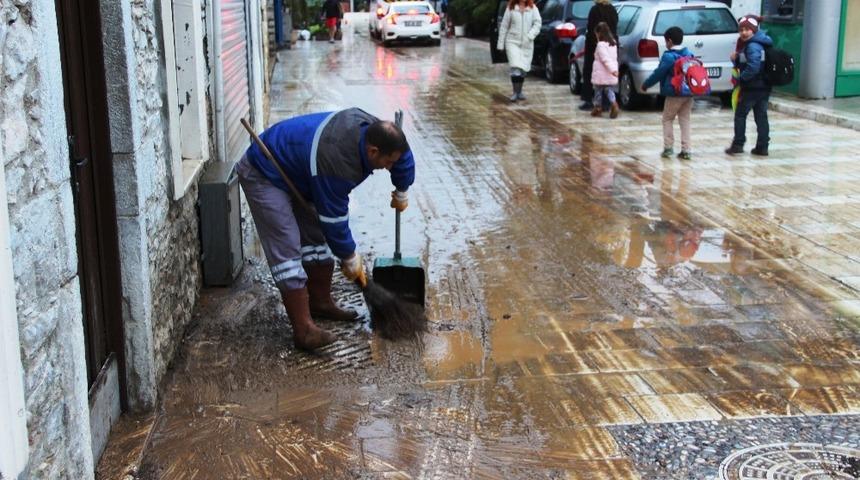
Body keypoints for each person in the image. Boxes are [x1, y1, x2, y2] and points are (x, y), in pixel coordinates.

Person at [237, 109, 415, 350]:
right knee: (287, 246)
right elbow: (334, 220)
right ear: (373, 152)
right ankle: (304, 331)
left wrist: (402, 187)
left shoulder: (378, 133)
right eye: (387, 163)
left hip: (304, 173)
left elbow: (402, 156)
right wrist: (350, 257)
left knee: (315, 236)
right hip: (266, 171)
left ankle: (320, 303)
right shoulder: (337, 161)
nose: (388, 167)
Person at [641, 26, 694, 160]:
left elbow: (658, 73)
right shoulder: (689, 54)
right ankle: (686, 150)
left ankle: (668, 148)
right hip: (689, 93)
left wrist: (646, 84)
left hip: (674, 93)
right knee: (685, 120)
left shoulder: (669, 57)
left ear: (669, 41)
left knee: (667, 119)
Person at [725, 15, 772, 156]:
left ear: (754, 30)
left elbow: (753, 66)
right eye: (741, 30)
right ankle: (762, 147)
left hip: (753, 86)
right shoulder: (762, 42)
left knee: (740, 115)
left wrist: (741, 79)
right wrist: (738, 58)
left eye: (747, 30)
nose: (744, 32)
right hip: (764, 86)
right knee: (761, 117)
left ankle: (738, 144)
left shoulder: (752, 45)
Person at [496, 0, 542, 102]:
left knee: (522, 69)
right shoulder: (510, 8)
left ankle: (520, 92)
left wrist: (530, 36)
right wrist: (500, 44)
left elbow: (538, 23)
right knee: (515, 67)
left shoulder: (533, 8)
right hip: (512, 42)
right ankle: (515, 92)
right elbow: (504, 26)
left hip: (527, 43)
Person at [579, 0, 618, 111]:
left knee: (590, 72)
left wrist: (593, 44)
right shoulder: (613, 10)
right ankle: (607, 102)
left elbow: (592, 29)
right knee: (607, 74)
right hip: (611, 44)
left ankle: (589, 100)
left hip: (595, 45)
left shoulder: (594, 10)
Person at [590, 22, 619, 119]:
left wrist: (613, 70)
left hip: (601, 73)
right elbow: (612, 58)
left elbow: (605, 58)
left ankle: (598, 107)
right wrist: (613, 70)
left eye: (596, 34)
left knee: (598, 90)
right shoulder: (613, 43)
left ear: (599, 33)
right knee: (609, 90)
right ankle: (614, 104)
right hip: (610, 73)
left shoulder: (600, 45)